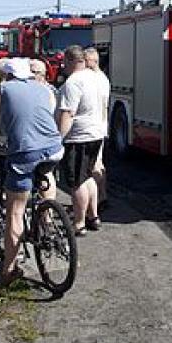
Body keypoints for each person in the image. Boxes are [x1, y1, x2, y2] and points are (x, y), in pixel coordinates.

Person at [0, 57, 62, 285]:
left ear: (7, 75)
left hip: (24, 153)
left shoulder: (1, 90)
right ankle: (45, 221)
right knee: (44, 179)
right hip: (54, 149)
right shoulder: (44, 89)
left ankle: (9, 270)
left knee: (15, 211)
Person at [57, 45, 108, 236]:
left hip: (78, 137)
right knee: (88, 176)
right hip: (96, 133)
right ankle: (93, 216)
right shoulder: (95, 77)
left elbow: (68, 114)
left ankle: (79, 223)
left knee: (76, 182)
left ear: (70, 60)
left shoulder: (73, 83)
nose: (63, 66)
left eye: (64, 62)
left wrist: (58, 139)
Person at [84, 46, 111, 210]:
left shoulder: (96, 79)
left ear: (93, 61)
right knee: (98, 164)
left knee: (93, 167)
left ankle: (97, 200)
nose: (83, 64)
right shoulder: (102, 78)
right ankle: (102, 196)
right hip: (99, 127)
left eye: (85, 60)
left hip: (94, 128)